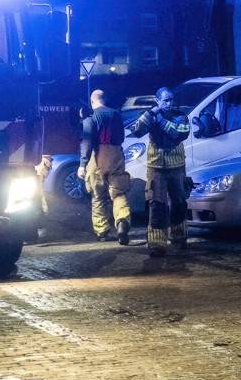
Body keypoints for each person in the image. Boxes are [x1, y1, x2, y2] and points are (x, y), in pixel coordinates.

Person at [128, 87, 191, 257]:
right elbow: (136, 130)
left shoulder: (180, 116)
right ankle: (157, 243)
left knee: (179, 203)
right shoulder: (151, 115)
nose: (169, 103)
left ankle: (179, 236)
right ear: (157, 101)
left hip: (177, 167)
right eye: (165, 100)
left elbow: (178, 134)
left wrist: (159, 118)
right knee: (157, 205)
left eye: (171, 100)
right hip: (156, 168)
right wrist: (150, 114)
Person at [80, 90, 132, 244]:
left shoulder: (91, 117)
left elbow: (87, 141)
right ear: (105, 99)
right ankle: (122, 221)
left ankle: (102, 232)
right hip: (116, 154)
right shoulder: (116, 114)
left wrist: (82, 164)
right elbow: (121, 137)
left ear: (92, 101)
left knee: (98, 196)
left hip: (97, 156)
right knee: (118, 193)